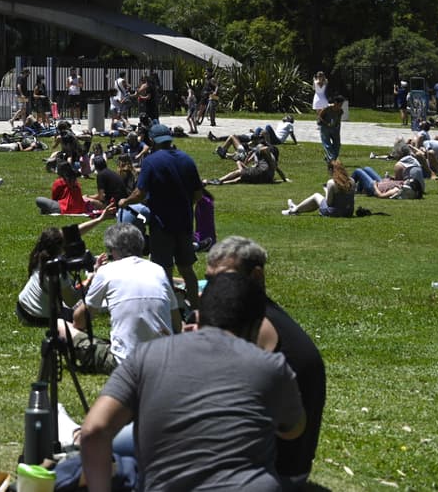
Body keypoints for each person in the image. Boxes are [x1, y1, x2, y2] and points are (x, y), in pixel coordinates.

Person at [80, 271, 305, 492]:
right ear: (257, 325)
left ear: (198, 314)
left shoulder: (146, 356)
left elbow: (93, 431)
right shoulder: (271, 367)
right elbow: (292, 430)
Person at [206, 237, 326, 488]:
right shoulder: (263, 313)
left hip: (273, 472)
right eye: (211, 279)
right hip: (285, 463)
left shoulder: (257, 325)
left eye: (225, 278)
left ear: (256, 276)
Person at [61, 223, 180, 374]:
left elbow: (81, 321)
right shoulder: (158, 269)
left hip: (126, 363)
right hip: (164, 360)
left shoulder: (106, 271)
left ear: (113, 250)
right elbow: (177, 322)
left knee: (60, 325)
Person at [118, 122, 201, 308]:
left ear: (153, 141)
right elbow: (198, 194)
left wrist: (125, 202)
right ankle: (195, 309)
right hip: (185, 222)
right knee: (187, 269)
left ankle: (170, 311)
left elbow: (140, 193)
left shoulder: (151, 161)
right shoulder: (187, 159)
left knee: (164, 271)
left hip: (162, 225)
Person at [284, 160, 355, 217]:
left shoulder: (331, 182)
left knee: (316, 196)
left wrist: (326, 191)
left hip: (334, 213)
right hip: (348, 212)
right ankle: (296, 209)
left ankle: (293, 210)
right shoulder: (352, 181)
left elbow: (329, 203)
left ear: (331, 170)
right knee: (317, 200)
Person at [317, 94, 345, 161]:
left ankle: (330, 157)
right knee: (327, 144)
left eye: (341, 105)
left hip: (334, 128)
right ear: (335, 103)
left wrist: (337, 127)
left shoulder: (340, 111)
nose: (340, 106)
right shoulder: (327, 108)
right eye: (340, 104)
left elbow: (338, 121)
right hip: (325, 128)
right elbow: (320, 117)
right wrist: (326, 123)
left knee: (337, 144)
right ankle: (332, 159)